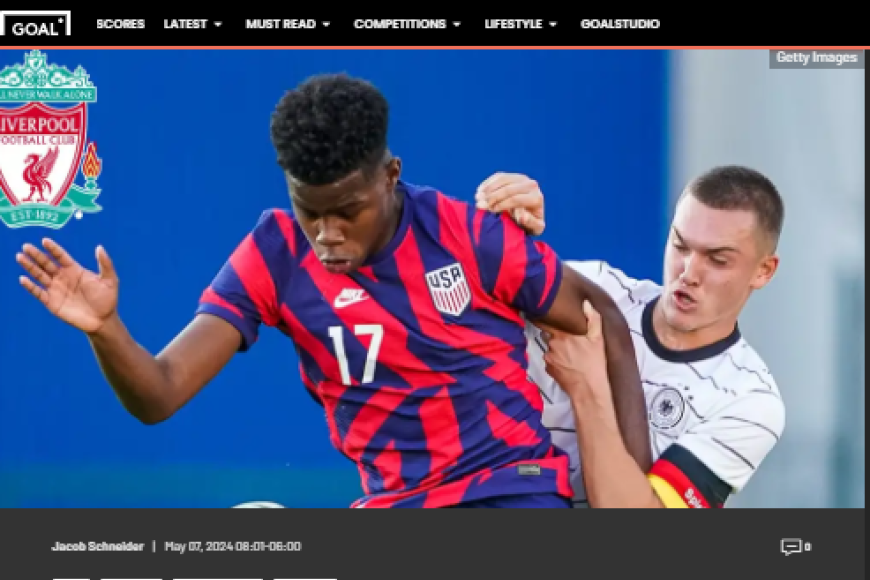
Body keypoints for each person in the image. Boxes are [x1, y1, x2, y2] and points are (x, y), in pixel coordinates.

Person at [14, 73, 651, 509]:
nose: (327, 234)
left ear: (390, 176)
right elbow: (158, 394)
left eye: (347, 211)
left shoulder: (468, 235)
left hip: (510, 493)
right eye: (308, 211)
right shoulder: (274, 254)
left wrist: (640, 486)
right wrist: (107, 329)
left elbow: (606, 322)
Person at [476, 166, 787, 508]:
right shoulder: (594, 287)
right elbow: (454, 299)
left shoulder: (749, 401)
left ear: (763, 271)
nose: (688, 273)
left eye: (717, 260)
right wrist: (499, 228)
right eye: (680, 246)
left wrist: (587, 389)